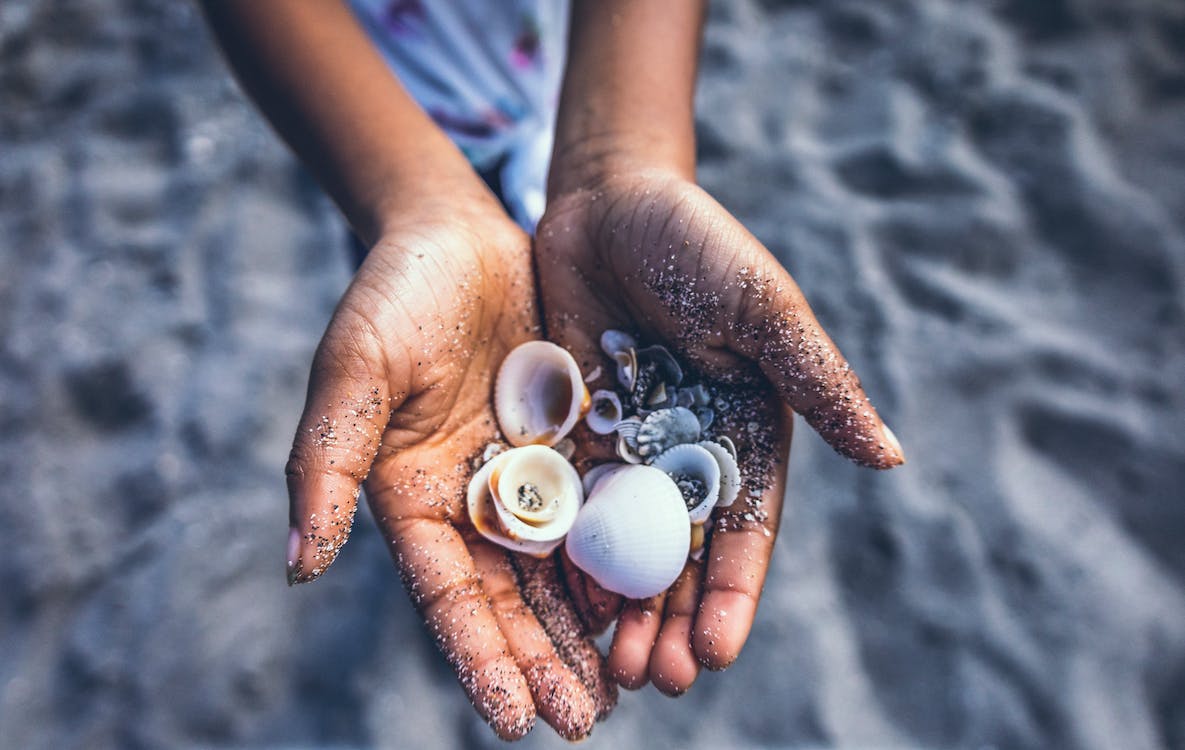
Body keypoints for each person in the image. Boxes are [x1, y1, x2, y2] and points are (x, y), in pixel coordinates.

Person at [200, 0, 905, 741]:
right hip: (375, 125)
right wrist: (417, 203)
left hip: (583, 78)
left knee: (481, 339)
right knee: (409, 368)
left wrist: (617, 159)